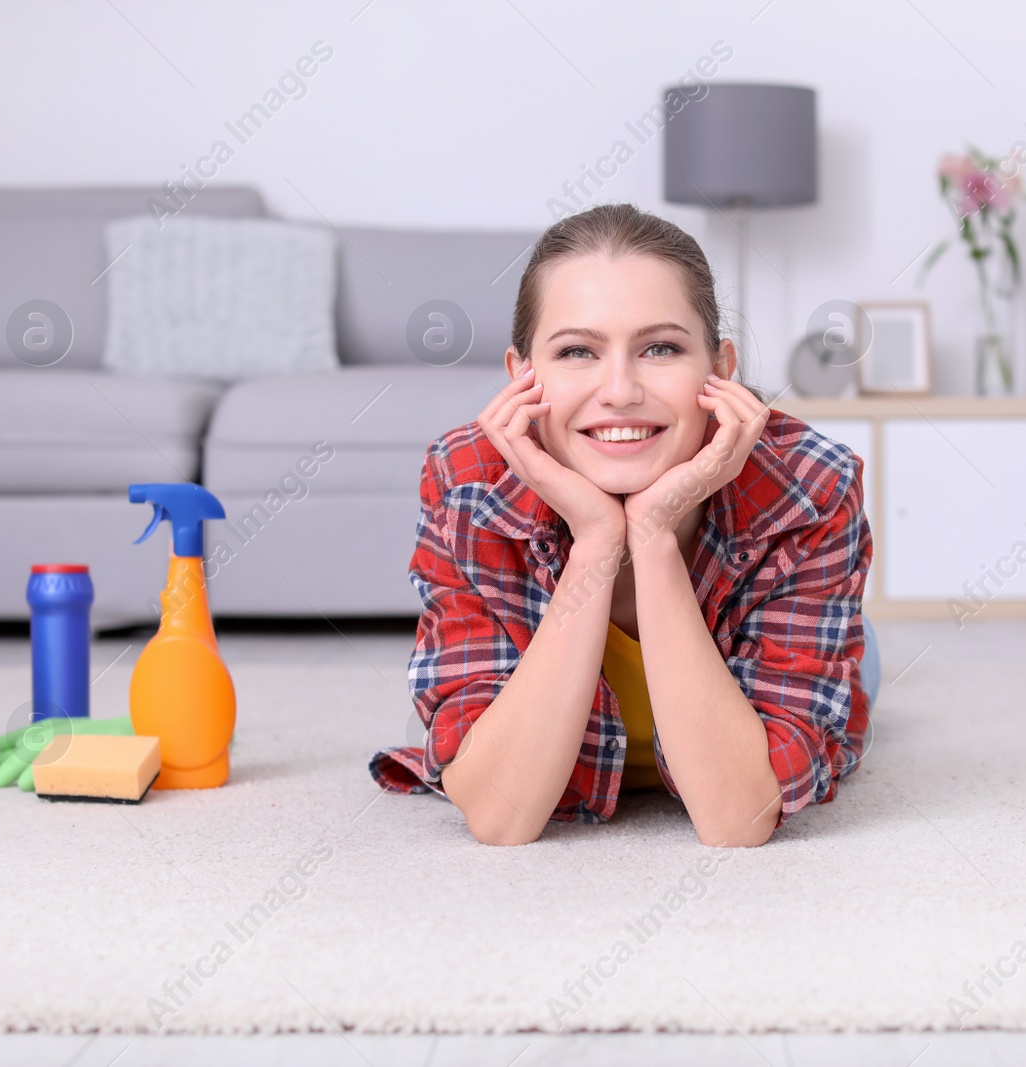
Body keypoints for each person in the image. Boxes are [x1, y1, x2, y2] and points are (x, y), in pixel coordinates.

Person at [369, 202, 879, 847]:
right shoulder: (467, 479)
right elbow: (501, 817)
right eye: (578, 350)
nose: (619, 391)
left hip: (775, 622)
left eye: (660, 348)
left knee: (854, 681)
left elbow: (738, 819)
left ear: (721, 370)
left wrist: (654, 533)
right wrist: (598, 543)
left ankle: (860, 644)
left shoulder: (811, 483)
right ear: (522, 376)